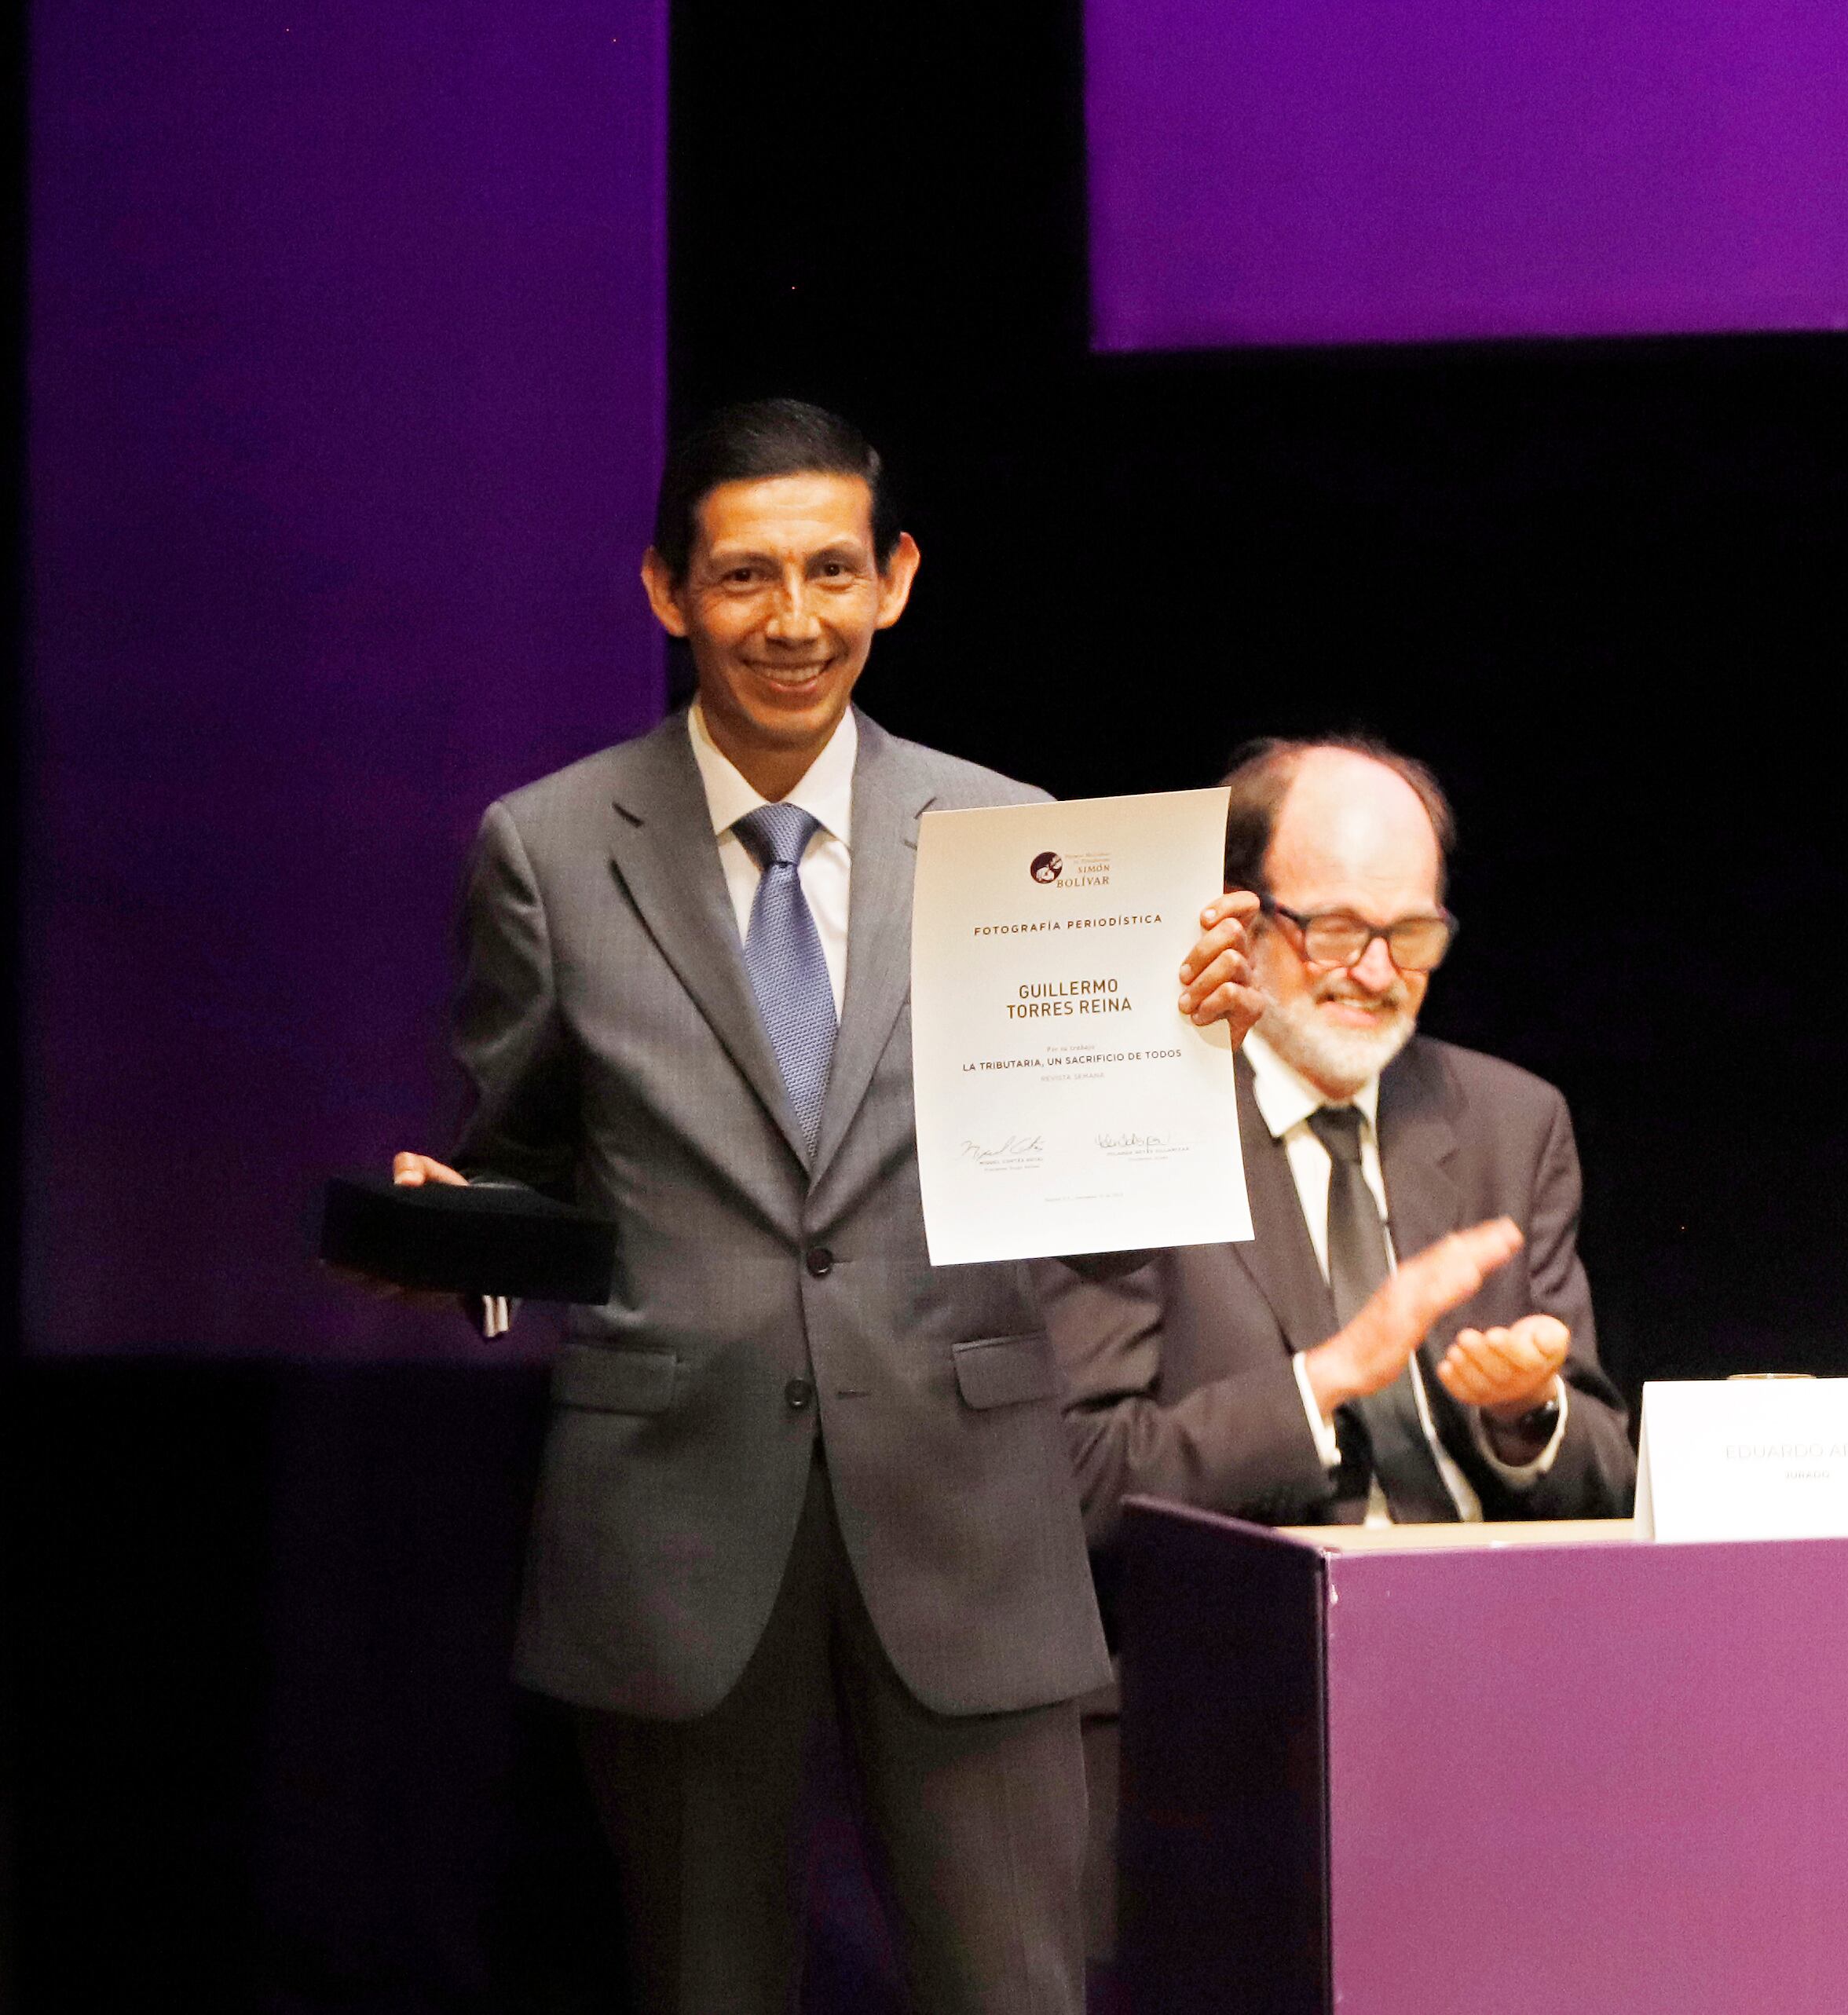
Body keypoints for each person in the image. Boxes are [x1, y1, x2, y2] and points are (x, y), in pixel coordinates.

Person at [382, 400, 1264, 2014]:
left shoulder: (1016, 839)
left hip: (965, 1502)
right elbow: (527, 1156)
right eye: (744, 575)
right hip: (676, 1515)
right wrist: (460, 1225)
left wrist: (1181, 1047)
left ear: (896, 578)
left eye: (831, 571)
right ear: (665, 589)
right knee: (706, 1984)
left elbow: (1108, 1228)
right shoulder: (551, 846)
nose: (792, 619)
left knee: (1015, 1985)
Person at [1038, 736, 1631, 1944]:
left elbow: (1610, 1468)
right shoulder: (1135, 1123)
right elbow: (1080, 1476)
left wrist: (1528, 1415)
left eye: (1410, 934)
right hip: (1224, 1731)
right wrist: (1327, 1380)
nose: (1375, 970)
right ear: (1241, 920)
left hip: (1488, 1715)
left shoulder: (1512, 1123)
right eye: (1336, 928)